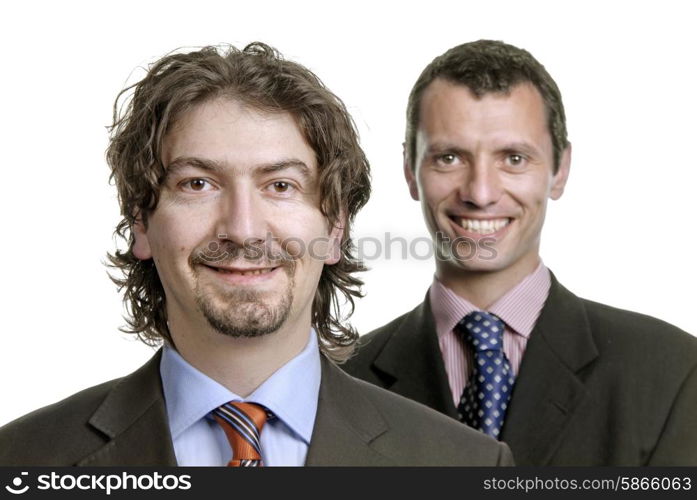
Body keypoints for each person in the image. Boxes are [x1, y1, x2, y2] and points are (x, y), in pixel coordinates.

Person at [0, 43, 512, 466]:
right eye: (198, 183)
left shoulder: (463, 465)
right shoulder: (22, 459)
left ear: (335, 227)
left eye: (281, 185)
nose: (243, 229)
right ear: (142, 223)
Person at [343, 39, 697, 465]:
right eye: (450, 157)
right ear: (410, 170)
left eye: (513, 158)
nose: (481, 192)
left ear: (560, 169)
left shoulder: (671, 370)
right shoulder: (340, 380)